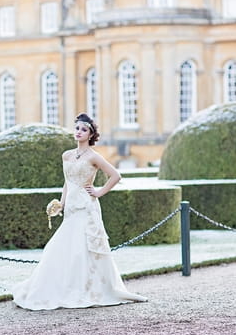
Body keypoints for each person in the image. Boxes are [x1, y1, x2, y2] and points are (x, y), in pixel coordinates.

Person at [12, 113, 147, 310]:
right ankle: (63, 287)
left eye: (84, 130)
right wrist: (61, 203)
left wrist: (99, 192)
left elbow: (115, 175)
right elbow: (67, 182)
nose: (79, 132)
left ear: (90, 134)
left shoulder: (93, 156)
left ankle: (91, 289)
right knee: (65, 246)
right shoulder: (66, 155)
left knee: (84, 246)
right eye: (77, 128)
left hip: (87, 207)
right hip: (71, 208)